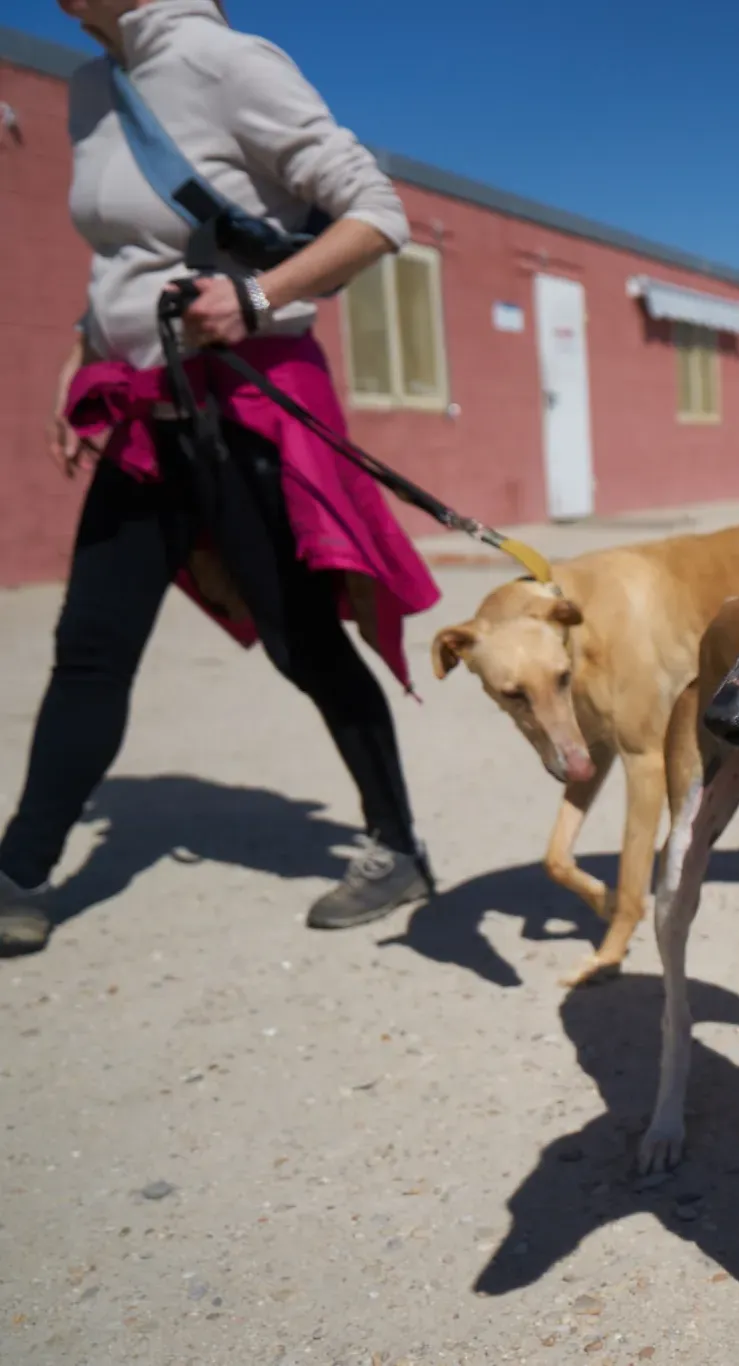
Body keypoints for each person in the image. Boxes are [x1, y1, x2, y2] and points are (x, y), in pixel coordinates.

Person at [0, 0, 442, 956]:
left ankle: (397, 845)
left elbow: (378, 215)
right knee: (90, 645)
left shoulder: (226, 61)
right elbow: (126, 254)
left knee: (305, 644)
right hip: (141, 407)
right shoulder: (90, 87)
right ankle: (20, 870)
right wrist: (76, 366)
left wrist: (255, 295)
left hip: (245, 404)